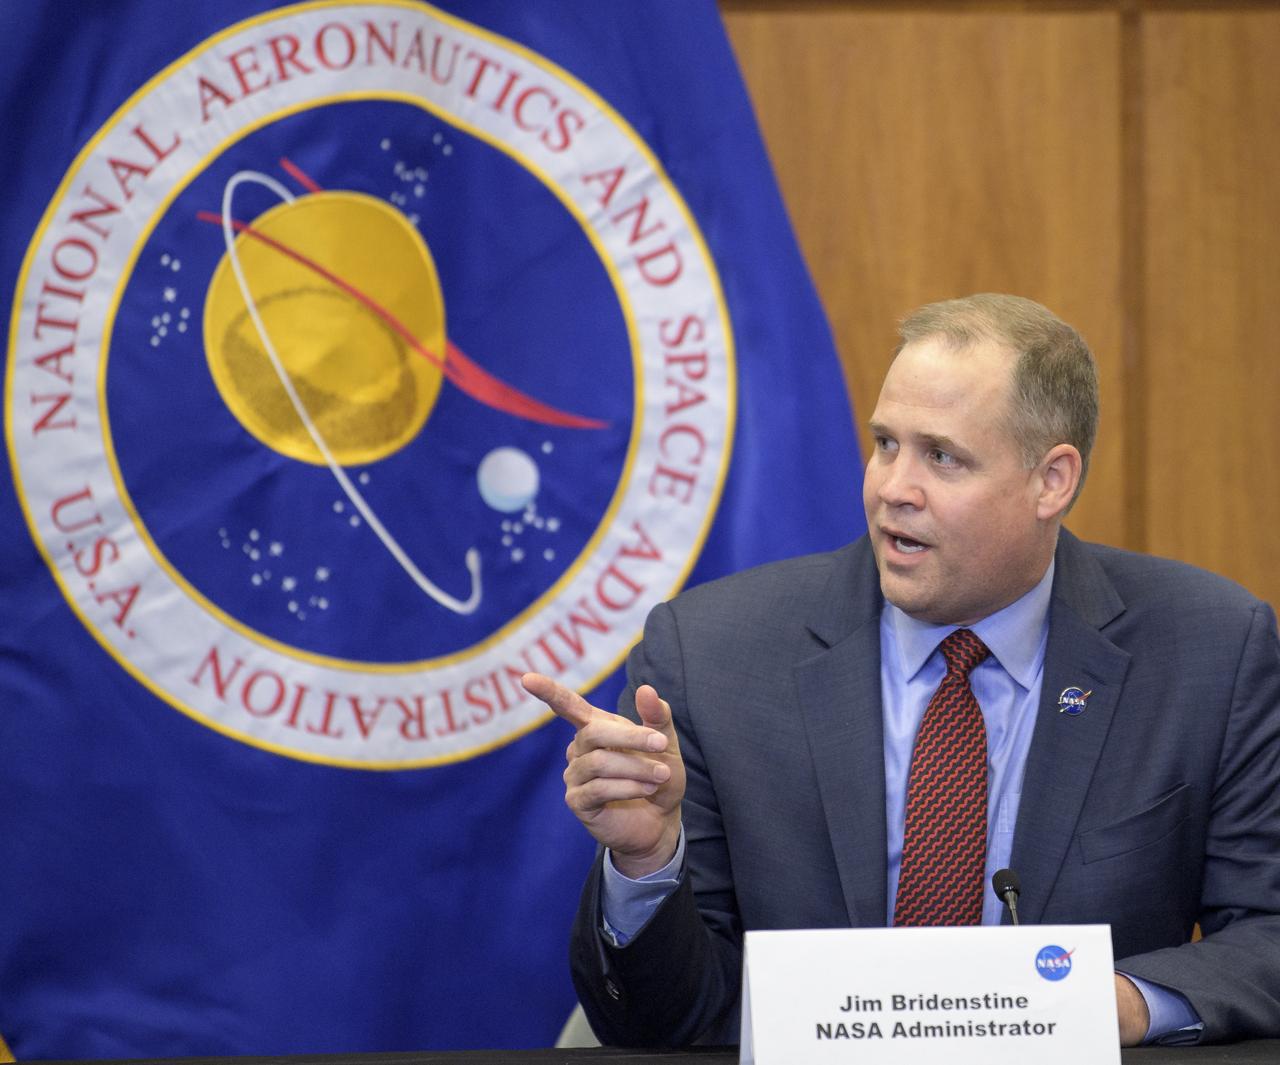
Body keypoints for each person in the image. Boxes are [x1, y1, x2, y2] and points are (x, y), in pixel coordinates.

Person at [522, 294, 1280, 1047]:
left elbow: (1268, 931)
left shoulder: (1208, 649)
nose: (892, 489)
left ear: (1052, 480)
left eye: (941, 456)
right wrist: (646, 859)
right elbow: (662, 1020)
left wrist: (1114, 1003)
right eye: (886, 444)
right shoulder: (712, 655)